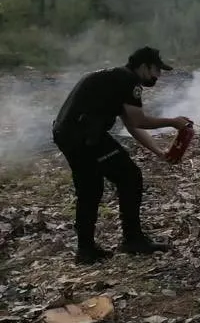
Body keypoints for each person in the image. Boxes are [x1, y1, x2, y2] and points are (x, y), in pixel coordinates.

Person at [51, 46, 192, 264]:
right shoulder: (129, 81)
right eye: (156, 70)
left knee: (90, 189)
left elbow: (131, 124)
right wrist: (173, 122)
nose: (158, 76)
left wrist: (159, 152)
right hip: (84, 136)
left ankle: (86, 250)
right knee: (129, 176)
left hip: (68, 133)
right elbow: (139, 120)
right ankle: (133, 239)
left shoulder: (115, 78)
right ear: (144, 66)